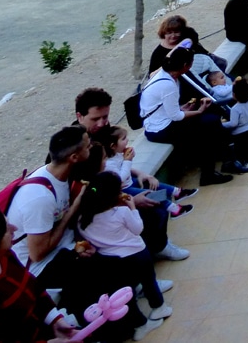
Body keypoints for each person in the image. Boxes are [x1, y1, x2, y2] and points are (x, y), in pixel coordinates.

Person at [73, 90, 189, 262]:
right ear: (80, 116)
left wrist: (141, 173)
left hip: (115, 188)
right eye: (96, 119)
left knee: (152, 193)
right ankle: (157, 248)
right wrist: (130, 202)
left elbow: (116, 160)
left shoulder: (102, 132)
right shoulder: (75, 145)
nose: (102, 123)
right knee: (155, 211)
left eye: (105, 117)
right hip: (98, 208)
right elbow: (89, 192)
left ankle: (160, 242)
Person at [76, 171, 173, 338]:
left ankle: (140, 324)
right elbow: (138, 229)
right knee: (149, 282)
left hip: (112, 262)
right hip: (138, 254)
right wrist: (133, 208)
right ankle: (159, 308)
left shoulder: (82, 221)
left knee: (126, 294)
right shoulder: (121, 212)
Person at [5, 127, 94, 301]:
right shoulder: (40, 198)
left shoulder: (59, 175)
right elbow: (37, 254)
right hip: (39, 268)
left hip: (62, 247)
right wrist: (73, 209)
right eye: (88, 146)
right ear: (74, 157)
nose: (92, 148)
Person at [0, 206, 80, 342]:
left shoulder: (5, 256)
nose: (14, 228)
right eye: (7, 228)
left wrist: (55, 320)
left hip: (43, 330)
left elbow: (32, 286)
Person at [141, 44, 235, 185]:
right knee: (208, 125)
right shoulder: (168, 84)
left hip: (162, 121)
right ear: (185, 65)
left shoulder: (168, 76)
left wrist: (185, 108)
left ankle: (221, 160)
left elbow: (170, 108)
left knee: (211, 121)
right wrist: (198, 111)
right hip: (159, 129)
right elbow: (176, 116)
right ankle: (208, 174)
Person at [221, 79, 248, 173]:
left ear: (234, 95)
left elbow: (233, 123)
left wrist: (223, 124)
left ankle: (239, 163)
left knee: (239, 148)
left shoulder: (235, 108)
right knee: (247, 147)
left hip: (238, 132)